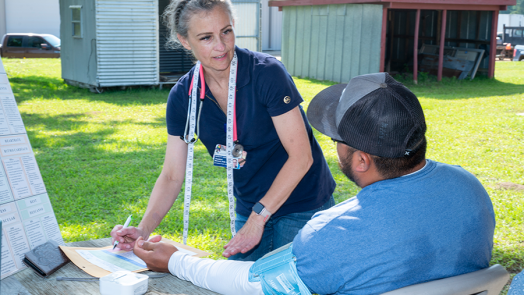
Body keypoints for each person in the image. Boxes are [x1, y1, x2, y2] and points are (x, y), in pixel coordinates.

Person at [133, 72, 496, 295]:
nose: (333, 145)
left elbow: (253, 284)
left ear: (361, 161)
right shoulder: (470, 189)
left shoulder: (335, 233)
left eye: (338, 139)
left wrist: (178, 261)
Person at [111, 0, 335, 261]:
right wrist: (143, 229)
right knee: (240, 284)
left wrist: (257, 219)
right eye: (206, 38)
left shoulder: (267, 74)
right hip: (251, 205)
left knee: (288, 283)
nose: (221, 46)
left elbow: (301, 157)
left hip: (302, 203)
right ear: (185, 41)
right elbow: (172, 175)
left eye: (226, 32)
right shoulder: (184, 97)